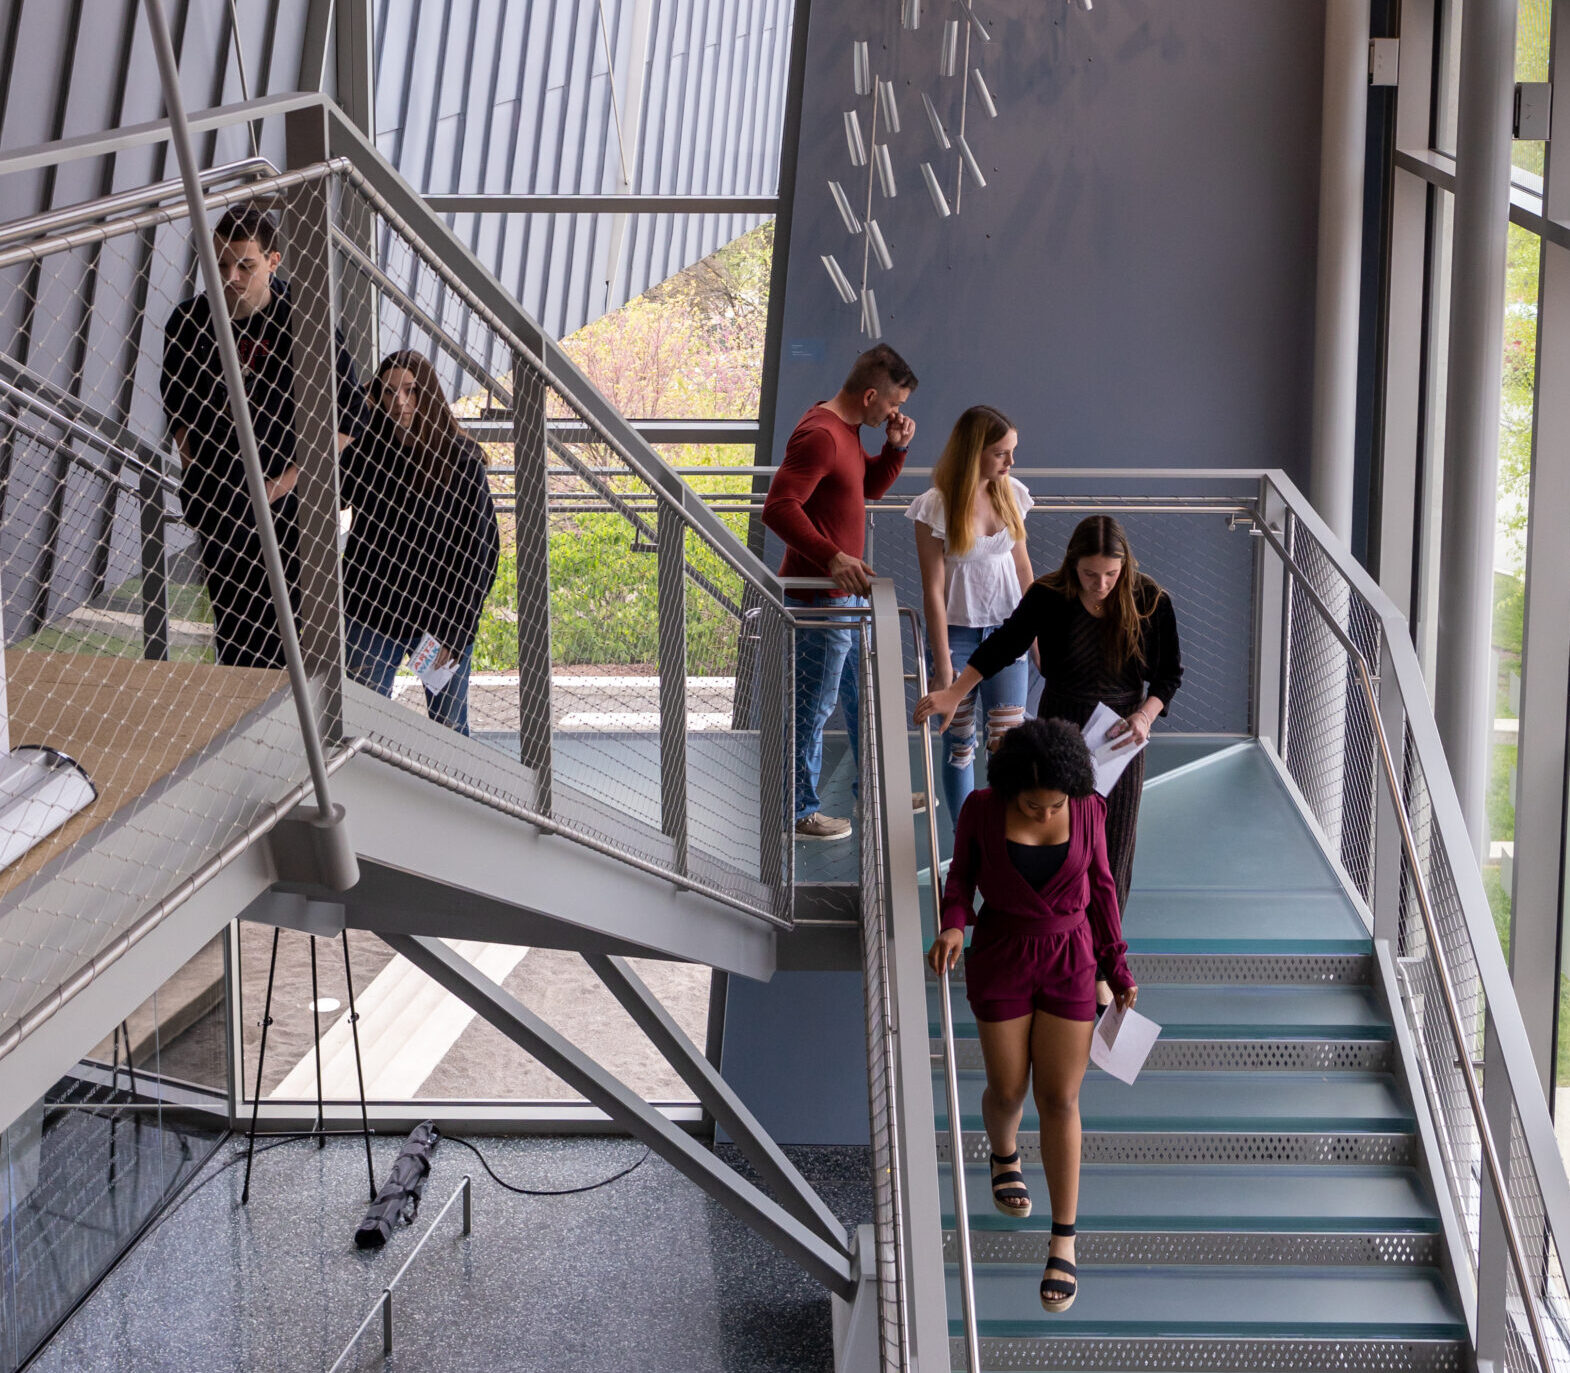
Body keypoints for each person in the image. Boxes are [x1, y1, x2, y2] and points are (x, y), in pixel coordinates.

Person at [926, 718, 1137, 1314]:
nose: (1046, 813)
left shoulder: (1090, 809)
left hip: (1069, 956)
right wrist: (952, 925)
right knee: (1008, 1087)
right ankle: (1002, 1152)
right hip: (1002, 953)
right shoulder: (981, 809)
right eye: (1033, 804)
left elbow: (1102, 890)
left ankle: (1063, 1240)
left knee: (1061, 1098)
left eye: (1055, 804)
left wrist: (1116, 969)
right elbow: (962, 877)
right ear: (1011, 788)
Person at [915, 514, 1182, 944]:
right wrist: (954, 691)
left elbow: (1168, 677)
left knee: (1112, 847)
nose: (1100, 585)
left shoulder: (1149, 599)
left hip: (1120, 734)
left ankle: (1101, 952)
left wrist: (1145, 716)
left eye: (1111, 575)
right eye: (1090, 574)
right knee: (1053, 834)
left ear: (1125, 566)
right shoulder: (1049, 594)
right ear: (1073, 565)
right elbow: (1003, 645)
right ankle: (1052, 934)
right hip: (1061, 724)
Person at [160, 206, 367, 668]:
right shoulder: (189, 323)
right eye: (221, 264)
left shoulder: (306, 324)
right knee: (233, 636)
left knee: (289, 640)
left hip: (291, 514)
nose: (231, 276)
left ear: (273, 261)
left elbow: (349, 422)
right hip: (221, 505)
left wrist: (282, 485)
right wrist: (197, 468)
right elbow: (177, 409)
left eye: (246, 265)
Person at [762, 343, 918, 841]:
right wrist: (831, 558)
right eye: (893, 405)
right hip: (820, 600)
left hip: (842, 599)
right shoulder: (822, 435)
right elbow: (779, 507)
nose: (896, 412)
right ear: (871, 394)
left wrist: (893, 448)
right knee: (812, 705)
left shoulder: (846, 431)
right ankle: (798, 811)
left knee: (858, 700)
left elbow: (863, 489)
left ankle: (873, 789)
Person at [339, 352, 500, 736]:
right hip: (373, 613)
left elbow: (482, 552)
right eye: (389, 391)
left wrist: (458, 632)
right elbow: (333, 494)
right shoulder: (365, 453)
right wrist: (357, 408)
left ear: (427, 393)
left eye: (410, 391)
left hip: (438, 623)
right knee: (361, 726)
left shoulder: (461, 460)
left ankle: (454, 797)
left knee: (448, 729)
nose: (400, 402)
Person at [907, 405, 1034, 820]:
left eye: (1012, 451)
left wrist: (1036, 636)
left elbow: (1022, 568)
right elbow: (933, 589)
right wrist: (943, 667)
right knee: (958, 742)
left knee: (1008, 744)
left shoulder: (1012, 493)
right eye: (1001, 452)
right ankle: (967, 845)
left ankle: (1003, 841)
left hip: (1008, 632)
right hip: (958, 637)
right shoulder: (934, 506)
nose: (1010, 462)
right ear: (973, 450)